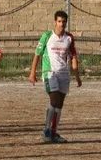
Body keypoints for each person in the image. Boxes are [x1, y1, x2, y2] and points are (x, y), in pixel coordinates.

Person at [28, 10, 81, 143]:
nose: (61, 24)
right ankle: (46, 130)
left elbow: (73, 57)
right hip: (49, 72)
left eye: (64, 22)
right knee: (54, 99)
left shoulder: (69, 38)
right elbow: (37, 54)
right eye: (59, 21)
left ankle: (53, 132)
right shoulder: (47, 36)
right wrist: (32, 72)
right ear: (55, 22)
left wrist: (77, 76)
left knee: (59, 104)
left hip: (64, 73)